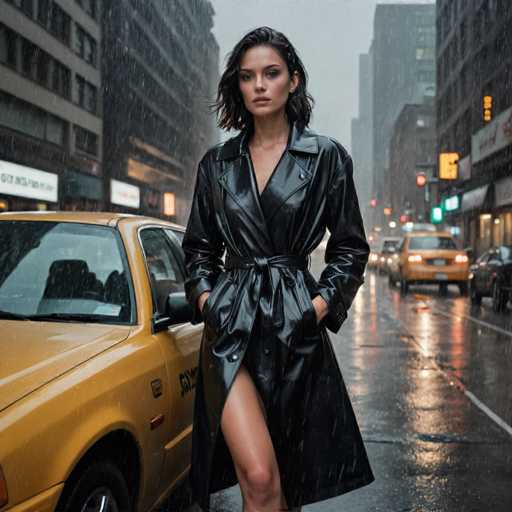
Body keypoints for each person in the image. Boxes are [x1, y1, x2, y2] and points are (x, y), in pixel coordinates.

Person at [181, 26, 375, 512]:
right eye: (248, 77)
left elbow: (350, 248)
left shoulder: (326, 157)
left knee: (283, 486)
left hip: (295, 326)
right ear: (237, 87)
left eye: (271, 73)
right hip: (232, 330)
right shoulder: (217, 165)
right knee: (262, 478)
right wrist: (210, 303)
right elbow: (198, 250)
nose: (260, 85)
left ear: (293, 81)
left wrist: (318, 305)